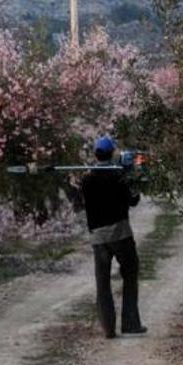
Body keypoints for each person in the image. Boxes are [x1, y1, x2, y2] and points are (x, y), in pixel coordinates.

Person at [80, 136, 147, 339]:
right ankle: (131, 322)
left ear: (95, 155)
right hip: (121, 234)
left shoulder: (87, 180)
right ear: (112, 154)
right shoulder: (119, 177)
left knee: (103, 283)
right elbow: (133, 201)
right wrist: (132, 178)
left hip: (98, 238)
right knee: (130, 273)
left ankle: (108, 328)